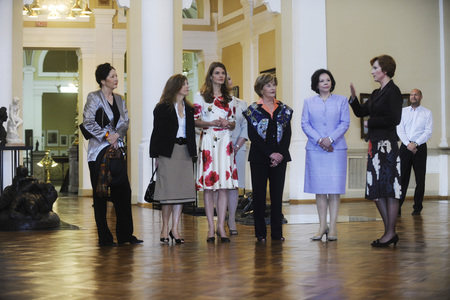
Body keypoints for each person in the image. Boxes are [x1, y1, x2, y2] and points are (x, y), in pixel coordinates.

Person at [83, 63, 142, 246]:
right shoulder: (94, 97)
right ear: (103, 80)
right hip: (98, 153)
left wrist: (117, 135)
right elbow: (88, 122)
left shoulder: (119, 99)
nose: (116, 79)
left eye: (117, 76)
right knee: (100, 195)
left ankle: (125, 235)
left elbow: (125, 121)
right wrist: (108, 136)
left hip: (117, 150)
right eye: (112, 76)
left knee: (123, 192)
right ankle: (105, 238)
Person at [349, 55, 403, 247]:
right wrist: (354, 99)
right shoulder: (375, 93)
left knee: (389, 190)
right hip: (375, 146)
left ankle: (389, 233)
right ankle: (390, 232)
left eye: (375, 68)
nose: (372, 71)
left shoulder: (394, 92)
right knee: (376, 191)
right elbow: (360, 112)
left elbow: (394, 119)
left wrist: (370, 122)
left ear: (385, 70)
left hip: (387, 147)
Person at [301, 69, 350, 241]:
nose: (325, 83)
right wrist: (320, 140)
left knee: (334, 190)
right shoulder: (308, 102)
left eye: (328, 80)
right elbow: (305, 124)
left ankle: (333, 226)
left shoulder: (342, 101)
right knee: (320, 191)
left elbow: (345, 123)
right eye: (322, 81)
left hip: (336, 150)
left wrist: (330, 140)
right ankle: (322, 226)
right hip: (316, 150)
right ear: (316, 84)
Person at [243, 73, 293, 242]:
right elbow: (253, 136)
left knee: (277, 195)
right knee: (258, 196)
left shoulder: (285, 109)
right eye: (269, 85)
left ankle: (277, 233)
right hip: (259, 157)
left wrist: (279, 155)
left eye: (274, 85)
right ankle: (260, 234)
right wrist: (269, 153)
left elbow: (287, 135)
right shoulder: (252, 110)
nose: (272, 88)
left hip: (280, 158)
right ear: (261, 89)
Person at [150, 74, 197, 244]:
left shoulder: (190, 109)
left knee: (181, 193)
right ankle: (164, 228)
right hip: (168, 153)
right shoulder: (162, 108)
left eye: (187, 84)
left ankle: (175, 229)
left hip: (185, 152)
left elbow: (191, 132)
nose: (187, 87)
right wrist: (155, 155)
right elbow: (156, 133)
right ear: (175, 86)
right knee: (168, 193)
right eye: (184, 84)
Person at [194, 62, 238, 243]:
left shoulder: (230, 97)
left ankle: (221, 225)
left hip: (225, 141)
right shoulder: (200, 96)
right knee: (209, 186)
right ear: (210, 76)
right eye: (217, 73)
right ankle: (211, 227)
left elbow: (234, 121)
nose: (221, 76)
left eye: (223, 73)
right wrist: (211, 123)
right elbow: (195, 121)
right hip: (209, 140)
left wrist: (228, 123)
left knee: (223, 186)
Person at [396, 89, 433, 216]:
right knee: (402, 179)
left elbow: (428, 132)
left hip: (420, 148)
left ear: (421, 97)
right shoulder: (403, 112)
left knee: (420, 179)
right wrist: (408, 144)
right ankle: (398, 206)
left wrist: (416, 144)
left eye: (416, 94)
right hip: (405, 147)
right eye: (411, 95)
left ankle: (417, 207)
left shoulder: (427, 113)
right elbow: (399, 130)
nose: (413, 96)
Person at [226, 74, 248, 235]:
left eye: (229, 78)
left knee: (234, 185)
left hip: (238, 148)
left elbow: (246, 126)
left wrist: (237, 145)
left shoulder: (242, 103)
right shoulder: (211, 101)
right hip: (218, 148)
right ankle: (219, 218)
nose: (228, 80)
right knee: (219, 185)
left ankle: (232, 219)